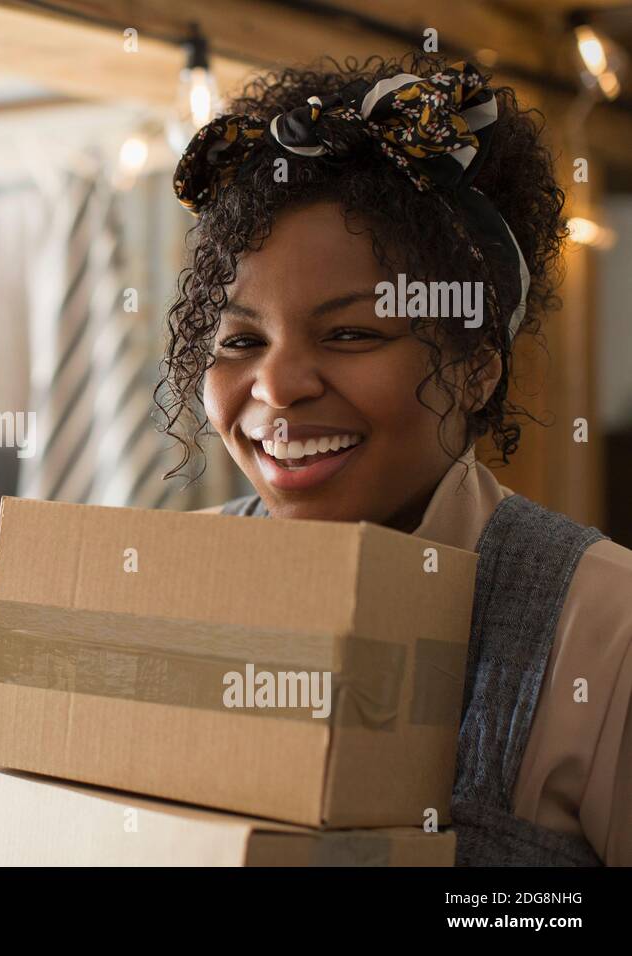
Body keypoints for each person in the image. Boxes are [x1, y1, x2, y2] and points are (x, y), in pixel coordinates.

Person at [165, 55, 630, 865]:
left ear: (477, 365)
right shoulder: (181, 583)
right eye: (240, 340)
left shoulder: (604, 626)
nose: (275, 386)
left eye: (351, 334)